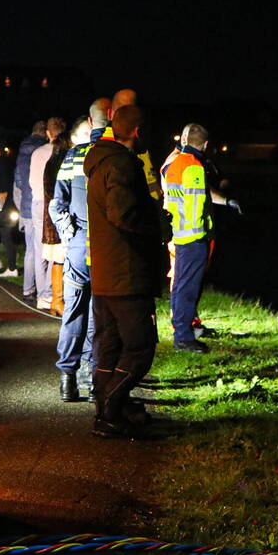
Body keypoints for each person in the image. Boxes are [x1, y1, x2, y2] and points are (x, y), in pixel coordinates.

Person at [84, 105, 163, 437]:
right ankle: (111, 410)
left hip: (106, 271)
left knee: (111, 345)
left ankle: (108, 409)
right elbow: (122, 214)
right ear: (138, 132)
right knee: (141, 347)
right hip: (127, 273)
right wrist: (157, 225)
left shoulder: (100, 161)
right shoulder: (122, 164)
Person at [49, 100, 108, 402]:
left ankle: (67, 379)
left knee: (73, 312)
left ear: (90, 120)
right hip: (104, 251)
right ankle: (93, 377)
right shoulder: (117, 156)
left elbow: (56, 203)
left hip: (77, 249)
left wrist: (69, 232)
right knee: (98, 315)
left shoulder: (73, 156)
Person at [162, 123, 212, 353]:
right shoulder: (194, 167)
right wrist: (202, 232)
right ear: (205, 145)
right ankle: (183, 337)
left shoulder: (173, 164)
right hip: (194, 236)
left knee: (180, 285)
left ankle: (180, 331)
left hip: (179, 232)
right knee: (187, 288)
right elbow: (197, 204)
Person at [28, 117, 67, 311]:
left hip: (37, 201)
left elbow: (30, 181)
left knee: (39, 249)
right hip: (55, 201)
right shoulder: (63, 153)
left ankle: (42, 295)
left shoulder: (37, 153)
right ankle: (53, 294)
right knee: (56, 248)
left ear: (48, 133)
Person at [38, 117, 73, 316]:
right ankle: (58, 301)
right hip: (58, 221)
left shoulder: (51, 162)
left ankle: (57, 301)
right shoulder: (58, 165)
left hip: (51, 221)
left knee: (58, 261)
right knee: (60, 260)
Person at [15, 121, 47, 303]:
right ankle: (44, 292)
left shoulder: (21, 153)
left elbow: (18, 182)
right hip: (40, 202)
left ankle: (28, 290)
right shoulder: (44, 151)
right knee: (43, 250)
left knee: (30, 250)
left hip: (26, 204)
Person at [0, 139, 19, 276]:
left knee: (3, 236)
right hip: (9, 205)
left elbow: (2, 189)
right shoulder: (7, 162)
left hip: (3, 207)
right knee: (5, 237)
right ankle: (9, 266)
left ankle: (7, 266)